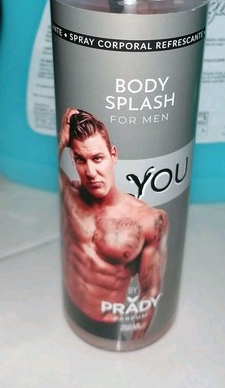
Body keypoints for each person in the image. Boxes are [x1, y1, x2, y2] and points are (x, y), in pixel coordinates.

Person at [57, 108, 169, 340]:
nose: (90, 172)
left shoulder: (148, 219)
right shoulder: (69, 195)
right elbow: (50, 168)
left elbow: (150, 290)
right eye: (80, 160)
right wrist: (61, 139)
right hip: (72, 310)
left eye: (98, 158)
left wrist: (136, 340)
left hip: (110, 325)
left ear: (113, 155)